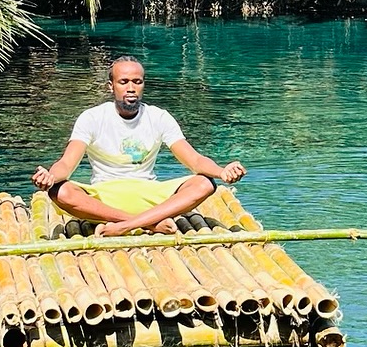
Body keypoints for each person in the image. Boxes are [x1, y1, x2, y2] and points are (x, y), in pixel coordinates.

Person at [31, 57, 246, 236]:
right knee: (60, 191)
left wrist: (221, 171)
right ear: (111, 86)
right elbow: (67, 163)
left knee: (204, 184)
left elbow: (195, 160)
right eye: (124, 82)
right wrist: (50, 176)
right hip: (106, 198)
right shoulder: (92, 118)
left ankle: (125, 225)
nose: (131, 88)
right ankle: (147, 224)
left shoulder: (159, 117)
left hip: (150, 196)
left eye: (137, 81)